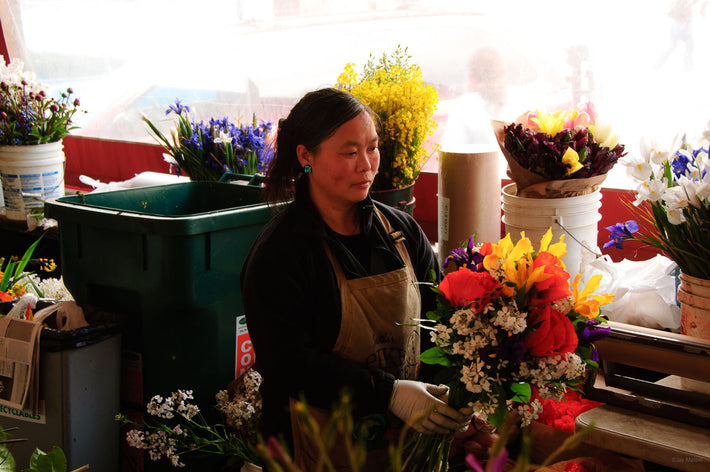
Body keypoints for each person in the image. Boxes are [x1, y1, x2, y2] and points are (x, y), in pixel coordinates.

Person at [240, 87, 472, 470]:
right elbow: (287, 365)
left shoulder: (401, 233)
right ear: (306, 156)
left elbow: (440, 322)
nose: (367, 164)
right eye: (350, 152)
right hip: (314, 450)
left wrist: (451, 390)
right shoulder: (281, 253)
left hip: (406, 447)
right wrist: (388, 392)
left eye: (373, 148)